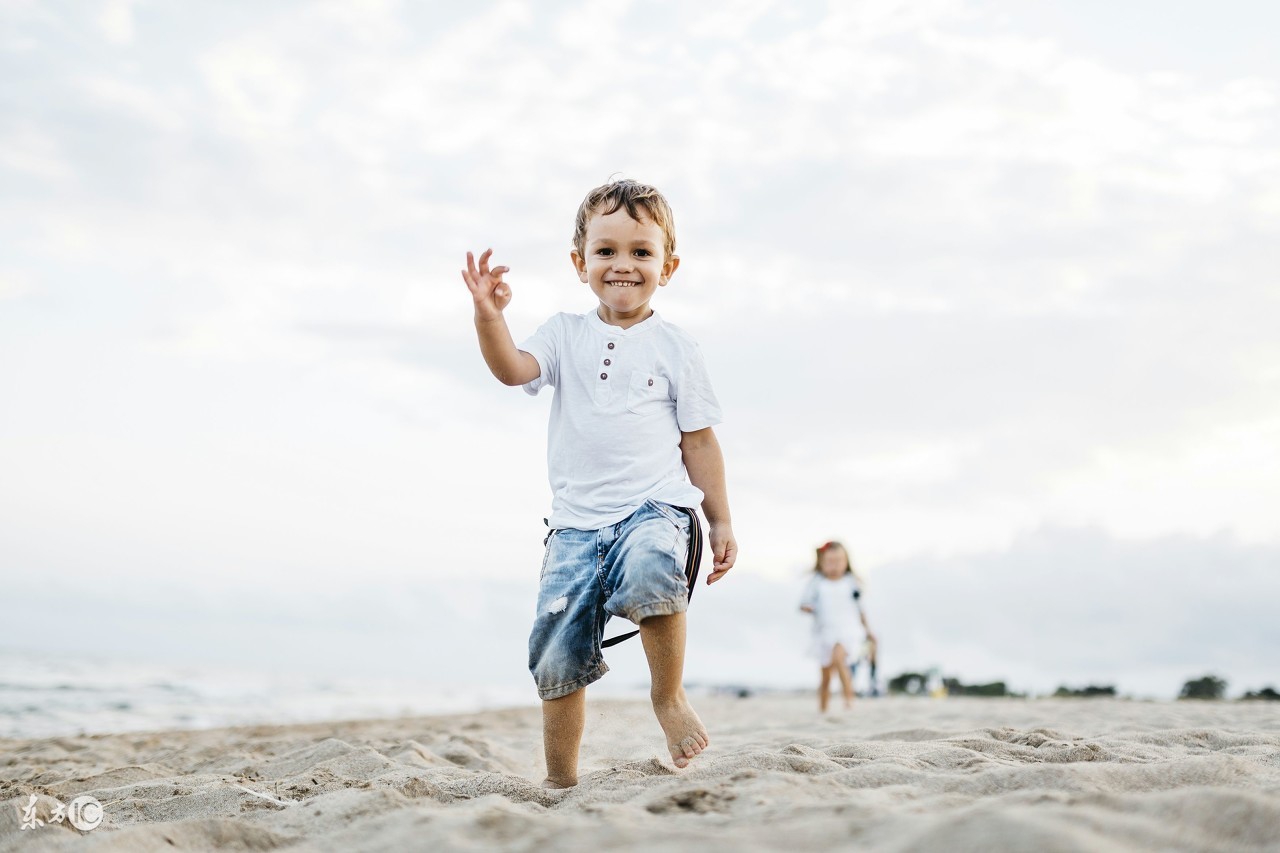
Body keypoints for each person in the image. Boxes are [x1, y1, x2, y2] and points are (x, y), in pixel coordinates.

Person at [460, 178, 737, 788]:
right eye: (606, 250)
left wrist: (719, 519)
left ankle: (667, 698)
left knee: (650, 568)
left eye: (641, 252)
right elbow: (514, 371)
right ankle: (561, 780)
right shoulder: (564, 333)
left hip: (654, 507)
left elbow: (700, 441)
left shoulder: (677, 349)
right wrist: (489, 317)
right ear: (579, 261)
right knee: (556, 652)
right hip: (574, 525)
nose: (623, 265)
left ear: (668, 266)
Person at [800, 540, 875, 712]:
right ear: (822, 563)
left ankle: (849, 700)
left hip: (848, 630)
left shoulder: (851, 582)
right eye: (830, 562)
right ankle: (823, 707)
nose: (834, 566)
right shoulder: (817, 582)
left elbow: (860, 609)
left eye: (839, 561)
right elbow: (804, 603)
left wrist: (868, 630)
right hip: (825, 632)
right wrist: (809, 608)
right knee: (825, 674)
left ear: (846, 562)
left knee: (839, 658)